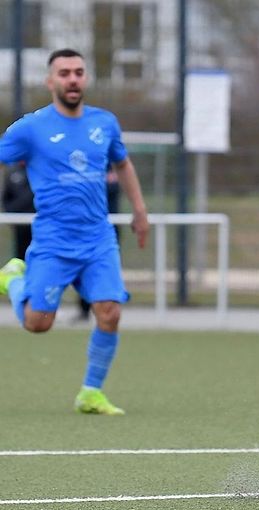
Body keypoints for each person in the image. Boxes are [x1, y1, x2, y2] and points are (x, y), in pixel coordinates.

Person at [0, 49, 149, 415]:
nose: (72, 79)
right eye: (64, 73)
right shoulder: (31, 128)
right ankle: (13, 278)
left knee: (110, 312)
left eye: (79, 72)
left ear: (85, 79)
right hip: (53, 240)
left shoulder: (105, 123)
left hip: (97, 238)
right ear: (50, 81)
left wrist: (140, 210)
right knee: (38, 324)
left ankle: (90, 393)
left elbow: (123, 163)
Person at [78, 166, 122, 322]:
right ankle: (84, 310)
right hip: (79, 231)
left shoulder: (112, 166)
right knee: (38, 320)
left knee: (110, 310)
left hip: (106, 233)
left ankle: (96, 309)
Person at [1, 161, 34, 259]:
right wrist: (10, 216)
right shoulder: (12, 172)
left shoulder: (38, 172)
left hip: (38, 223)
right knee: (20, 253)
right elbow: (6, 198)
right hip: (18, 224)